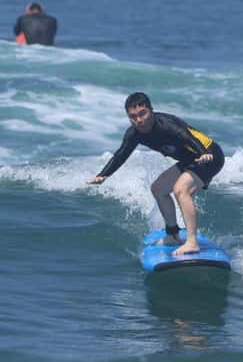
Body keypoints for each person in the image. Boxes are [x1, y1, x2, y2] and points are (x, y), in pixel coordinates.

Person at [88, 92, 225, 256]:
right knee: (158, 189)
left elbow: (188, 138)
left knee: (180, 190)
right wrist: (103, 175)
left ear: (151, 110)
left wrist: (203, 153)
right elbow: (121, 154)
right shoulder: (134, 133)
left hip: (210, 155)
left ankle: (192, 242)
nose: (139, 120)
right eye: (133, 117)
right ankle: (173, 234)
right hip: (189, 160)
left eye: (142, 114)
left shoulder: (167, 124)